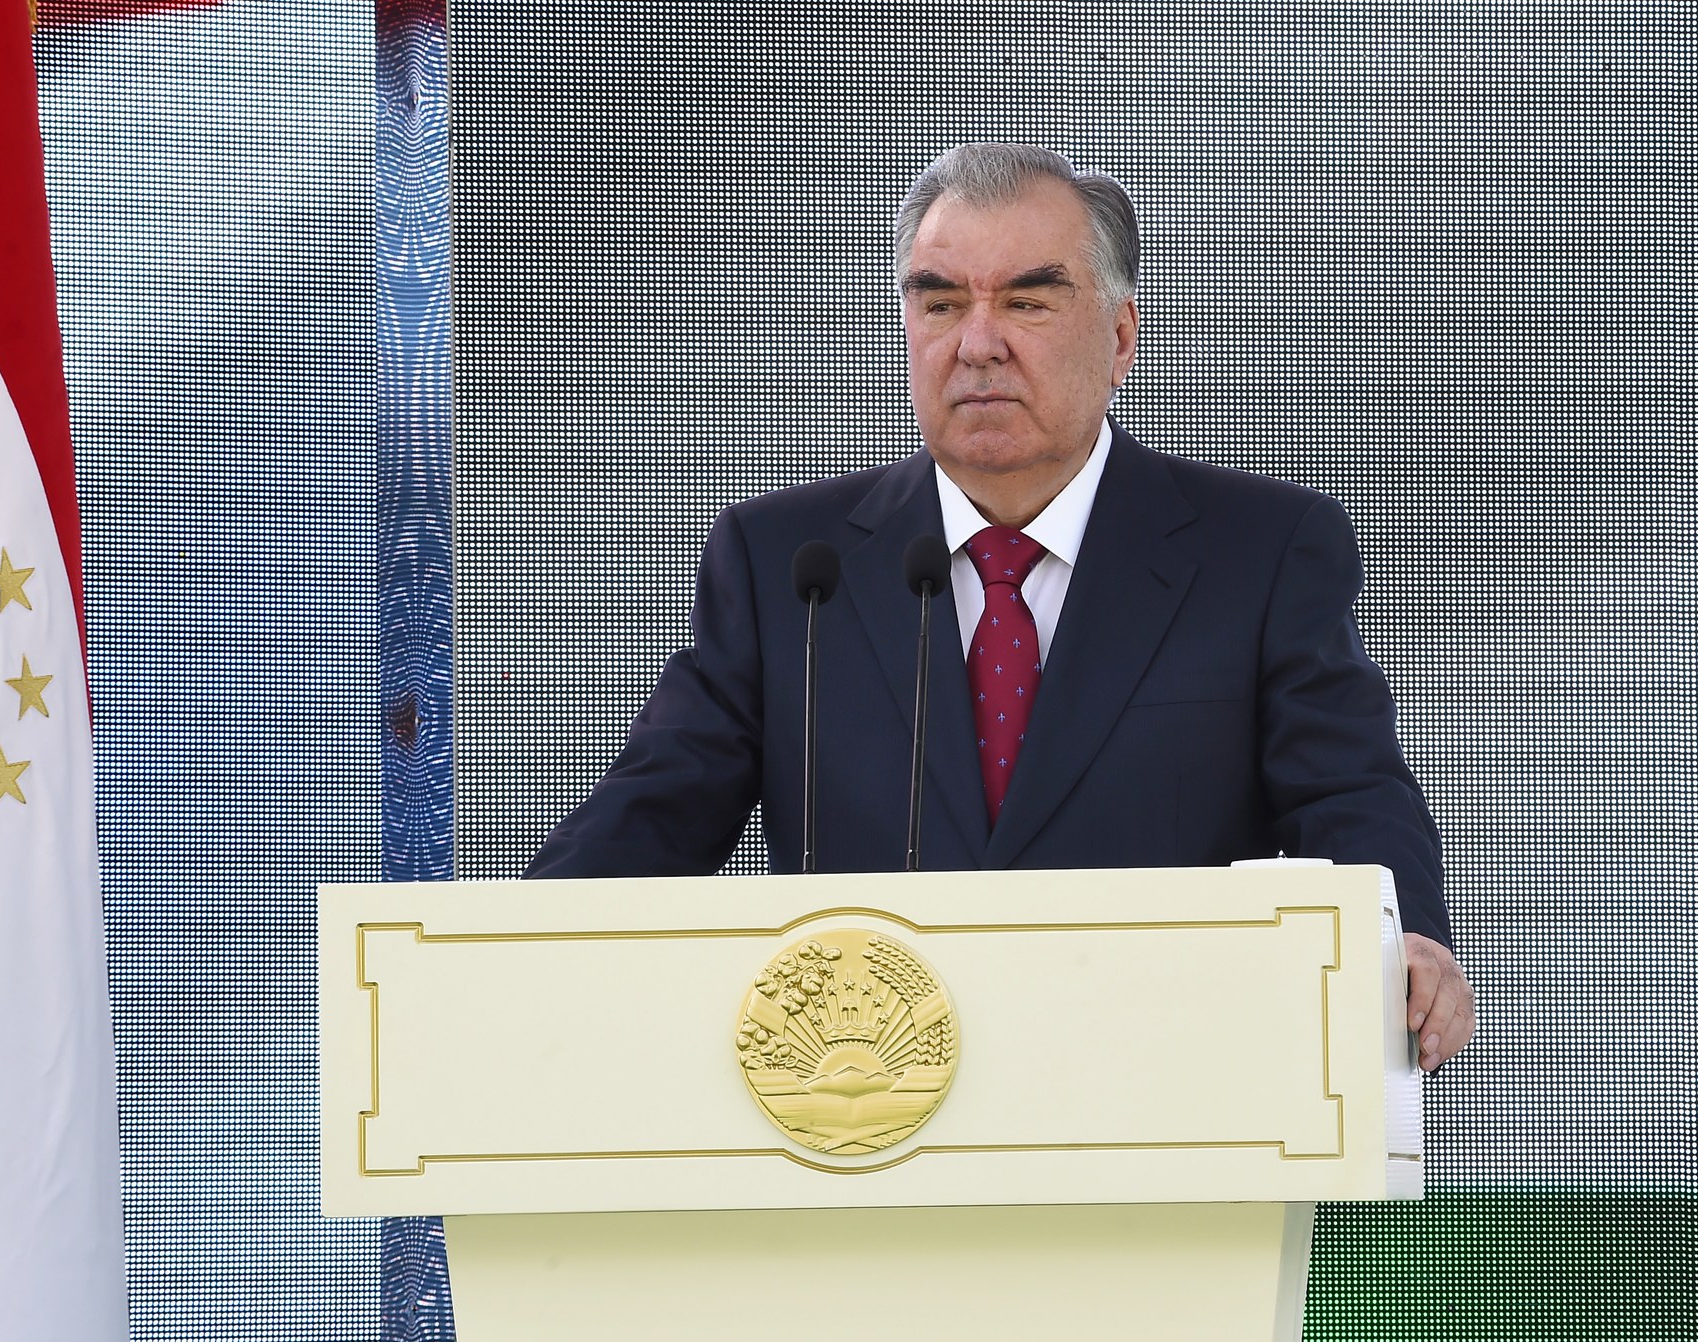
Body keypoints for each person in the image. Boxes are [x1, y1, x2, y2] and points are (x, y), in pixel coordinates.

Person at [528, 143, 1475, 1071]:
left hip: (1162, 1091)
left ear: (1120, 337)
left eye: (1027, 300)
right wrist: (501, 952)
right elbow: (653, 814)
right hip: (866, 1101)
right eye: (941, 303)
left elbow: (1347, 791)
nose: (977, 343)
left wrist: (1406, 941)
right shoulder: (791, 565)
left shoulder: (1259, 551)